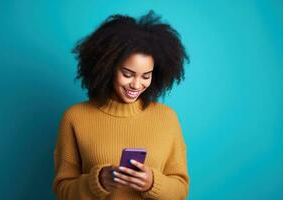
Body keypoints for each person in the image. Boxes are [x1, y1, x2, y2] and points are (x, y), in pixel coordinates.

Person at [52, 10, 190, 200]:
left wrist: (152, 183)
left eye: (146, 76)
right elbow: (63, 190)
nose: (136, 84)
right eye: (127, 74)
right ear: (107, 68)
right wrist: (97, 181)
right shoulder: (75, 117)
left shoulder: (167, 118)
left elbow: (181, 189)